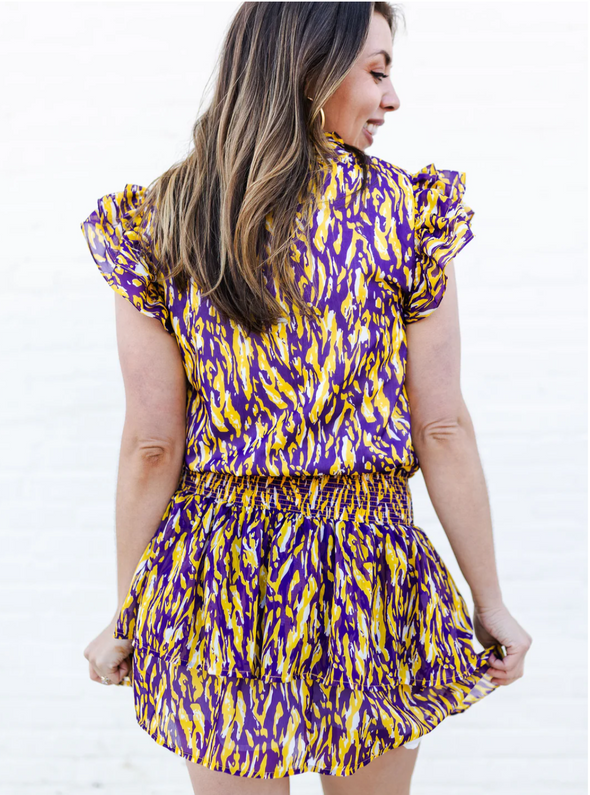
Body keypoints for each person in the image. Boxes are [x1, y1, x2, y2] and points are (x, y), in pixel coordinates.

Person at [80, 3, 532, 794]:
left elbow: (153, 443)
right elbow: (441, 425)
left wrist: (131, 608)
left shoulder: (162, 220)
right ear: (309, 70)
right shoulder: (406, 216)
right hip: (368, 570)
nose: (392, 98)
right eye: (377, 71)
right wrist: (488, 599)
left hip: (216, 578)